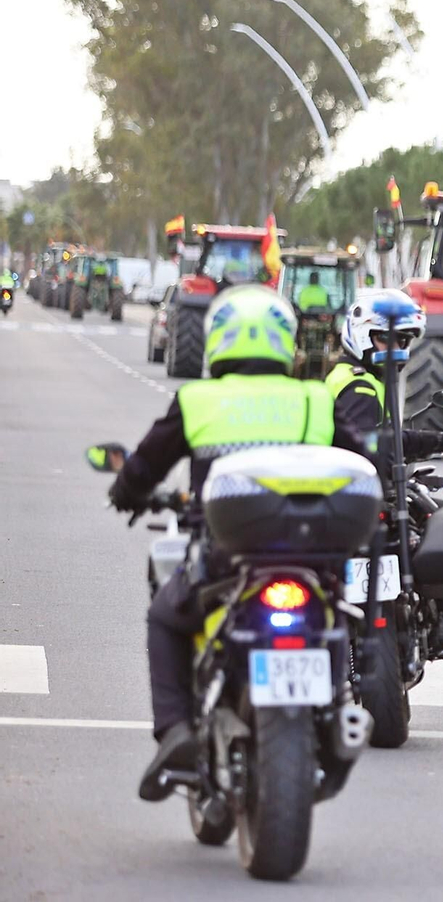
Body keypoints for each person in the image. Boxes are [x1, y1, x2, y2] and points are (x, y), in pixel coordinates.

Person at [104, 285, 375, 801]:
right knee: (337, 616)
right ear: (284, 341)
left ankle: (177, 733)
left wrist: (125, 493)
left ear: (217, 341)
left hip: (228, 559)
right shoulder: (313, 399)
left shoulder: (197, 400)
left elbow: (142, 468)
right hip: (311, 559)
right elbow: (359, 462)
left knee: (166, 616)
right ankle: (339, 708)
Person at [326, 289, 443, 657]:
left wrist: (438, 440)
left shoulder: (358, 379)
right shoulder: (358, 385)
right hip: (360, 492)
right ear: (359, 334)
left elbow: (389, 438)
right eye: (384, 339)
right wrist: (437, 441)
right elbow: (376, 444)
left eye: (403, 341)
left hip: (342, 493)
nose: (395, 349)